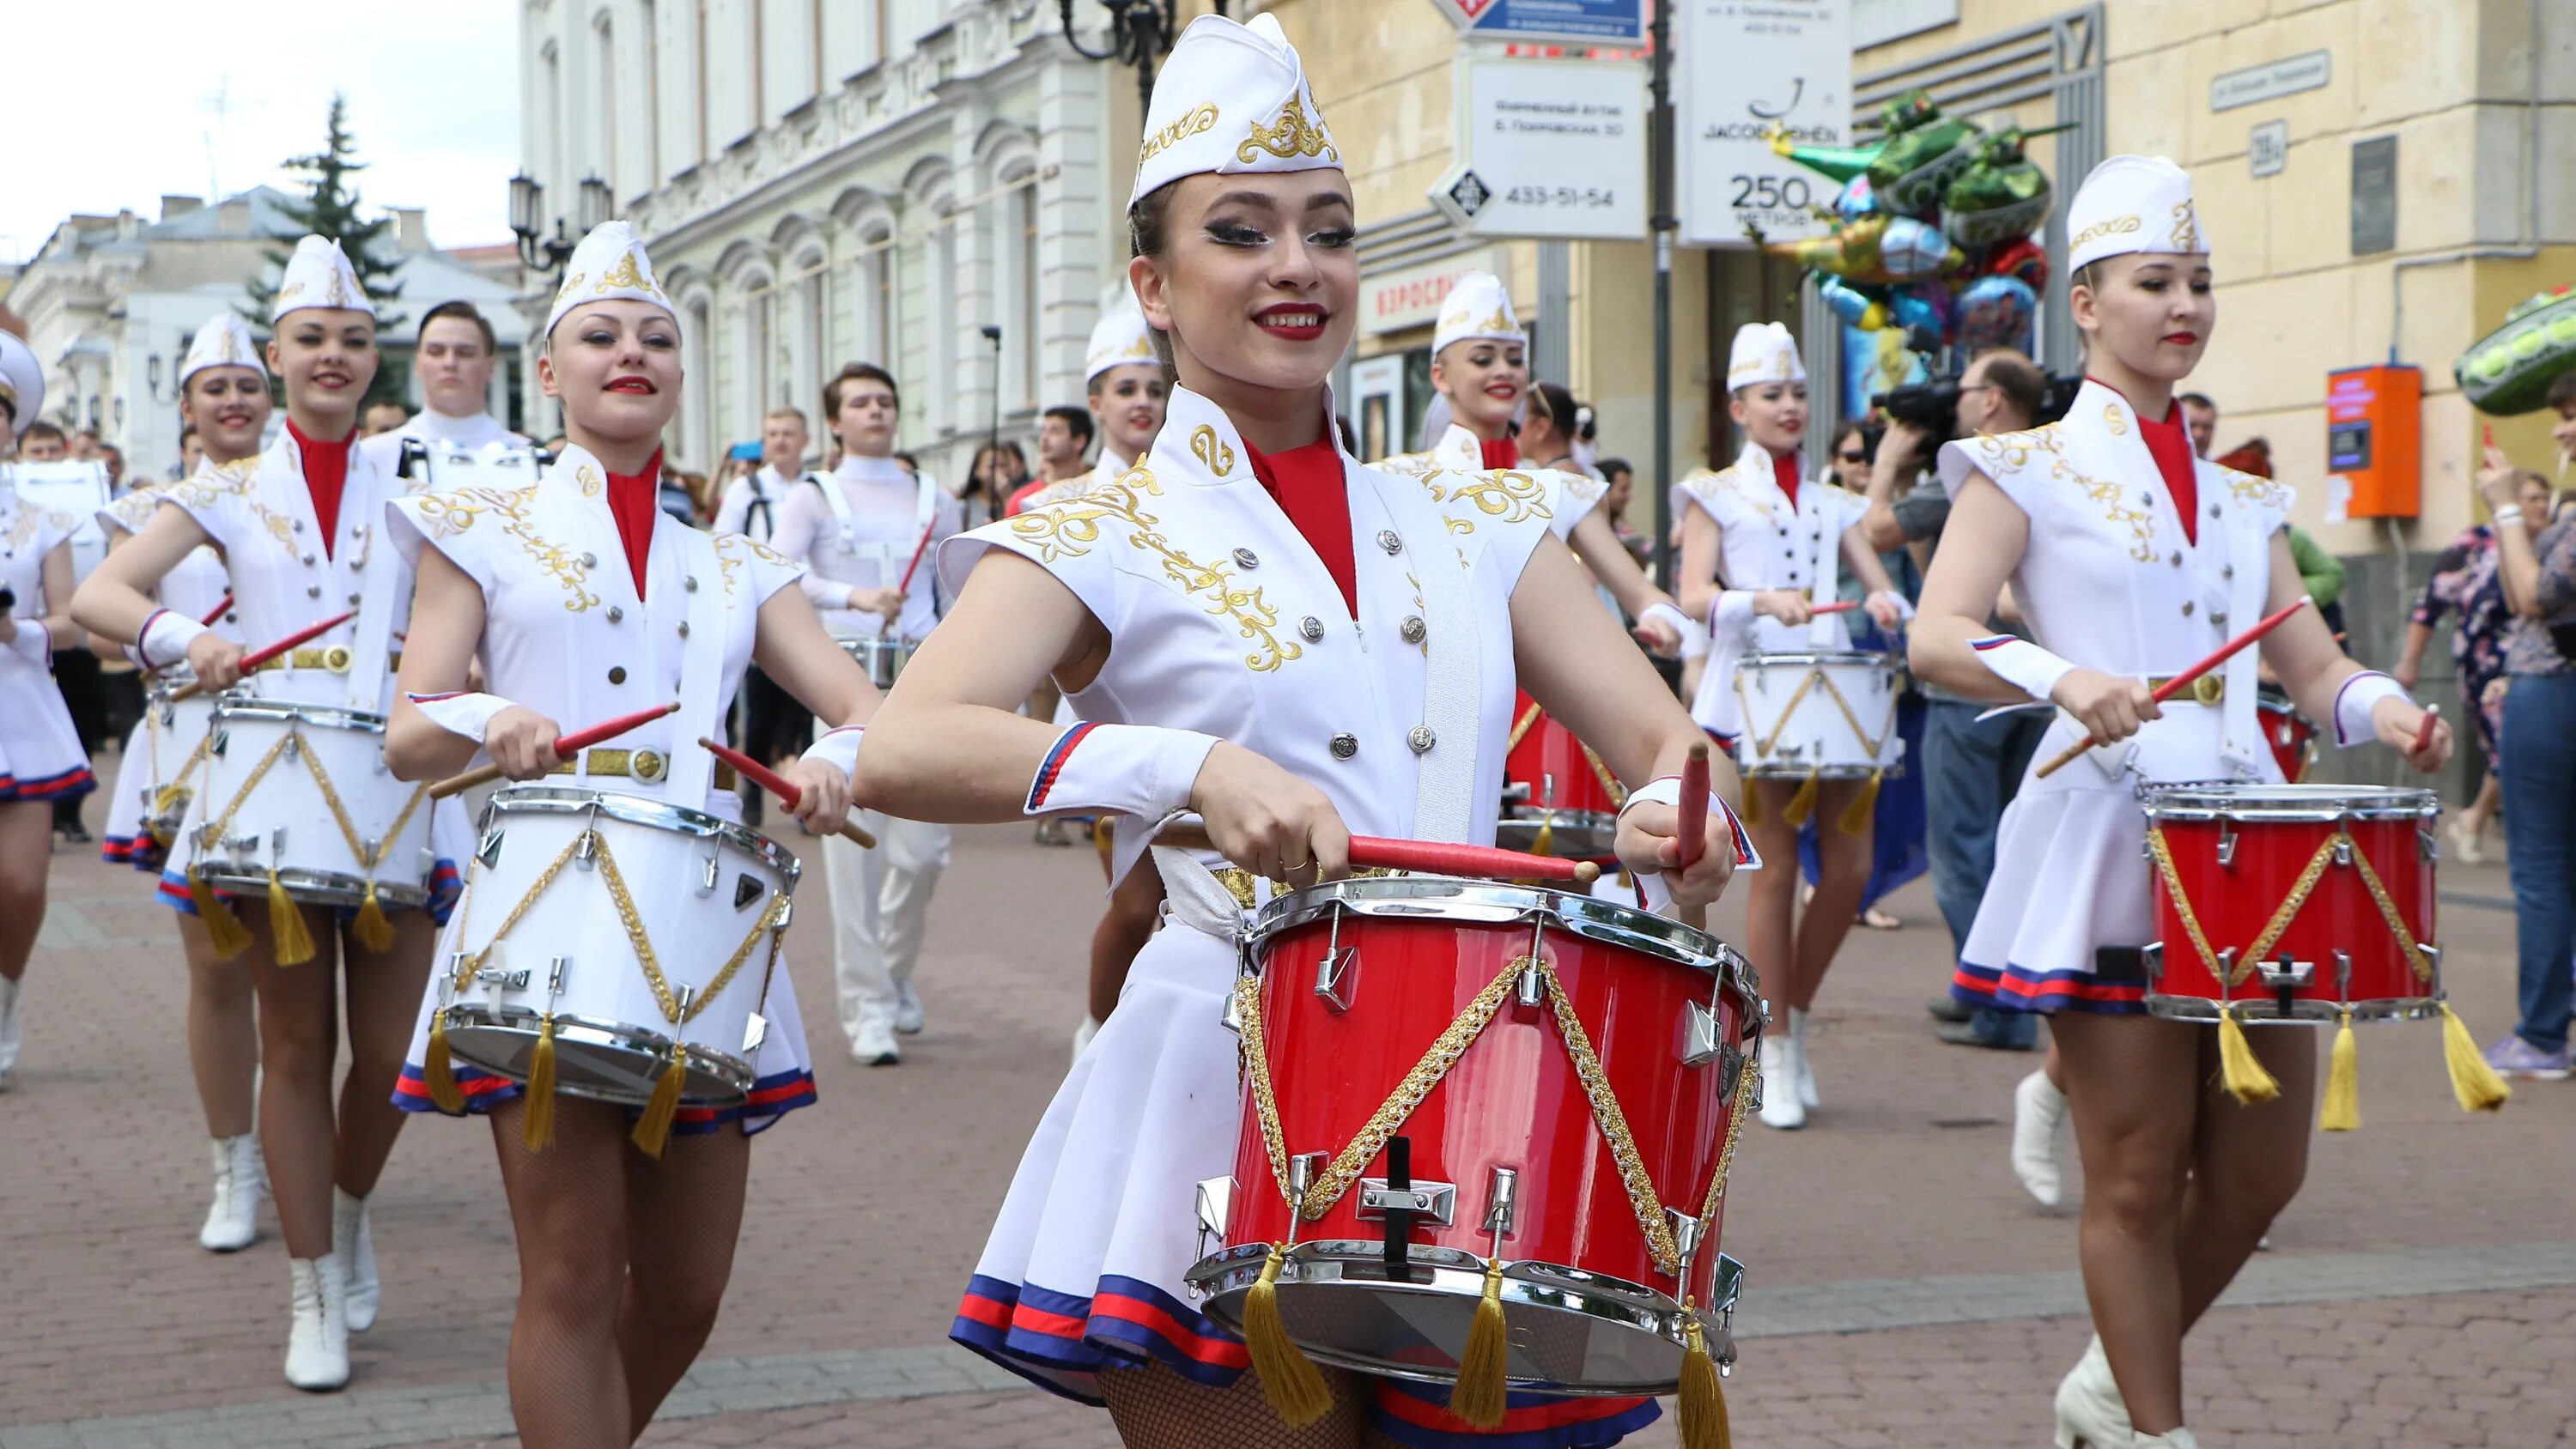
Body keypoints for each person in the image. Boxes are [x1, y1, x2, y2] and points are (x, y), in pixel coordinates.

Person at [865, 16, 1748, 1443]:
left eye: (1327, 231)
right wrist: (1185, 770)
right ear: (1153, 284)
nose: (1295, 264)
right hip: (1222, 1062)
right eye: (1242, 230)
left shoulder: (1475, 517)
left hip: (1475, 1084)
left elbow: (1680, 754)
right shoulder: (1107, 529)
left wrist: (1671, 828)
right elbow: (906, 742)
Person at [1910, 156, 2453, 1448]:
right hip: (2109, 838)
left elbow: (2312, 666)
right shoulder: (2021, 466)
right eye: (2155, 281)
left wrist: (2389, 712)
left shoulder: (2246, 495)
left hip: (2253, 850)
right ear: (2086, 304)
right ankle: (2153, 1430)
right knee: (2141, 1172)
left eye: (2199, 281)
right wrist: (2063, 675)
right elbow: (1939, 635)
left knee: (2266, 1172)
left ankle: (2106, 1383)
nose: (2185, 303)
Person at [380, 219, 872, 1446]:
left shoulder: (737, 563)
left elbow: (871, 714)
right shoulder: (477, 522)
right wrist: (494, 718)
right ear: (547, 374)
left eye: (657, 337)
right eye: (599, 336)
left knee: (690, 1291)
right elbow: (409, 732)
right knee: (572, 1275)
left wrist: (832, 766)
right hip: (544, 915)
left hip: (705, 937)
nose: (632, 353)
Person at [71, 237, 471, 1391]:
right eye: (310, 340)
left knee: (393, 1055)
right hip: (272, 801)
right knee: (297, 1045)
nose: (333, 357)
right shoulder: (228, 486)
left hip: (399, 787)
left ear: (369, 355)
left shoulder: (429, 479)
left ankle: (346, 1214)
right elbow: (107, 592)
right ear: (277, 357)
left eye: (353, 340)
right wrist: (183, 638)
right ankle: (308, 1286)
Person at [1679, 320, 1909, 1131]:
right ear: (1739, 406)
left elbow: (1881, 583)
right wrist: (1757, 601)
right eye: (1772, 394)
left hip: (1834, 694)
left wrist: (1885, 600)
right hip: (1758, 696)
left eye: (1799, 393)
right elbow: (1692, 596)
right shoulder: (1714, 492)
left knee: (1850, 869)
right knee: (1774, 869)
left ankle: (1796, 1019)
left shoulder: (1832, 501)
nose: (1789, 406)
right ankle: (1771, 1042)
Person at [93, 314, 264, 1250]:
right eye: (215, 386)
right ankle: (232, 1162)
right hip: (195, 758)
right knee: (216, 969)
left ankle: (288, 1137)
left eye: (247, 383)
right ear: (188, 407)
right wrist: (173, 642)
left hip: (301, 755)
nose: (234, 399)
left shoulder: (304, 502)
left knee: (301, 971)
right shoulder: (148, 514)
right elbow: (113, 630)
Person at [770, 361, 962, 1067]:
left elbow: (954, 595)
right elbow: (776, 574)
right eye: (860, 402)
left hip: (919, 689)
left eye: (885, 400)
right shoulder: (812, 496)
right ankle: (867, 1009)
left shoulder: (935, 498)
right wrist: (853, 599)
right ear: (836, 420)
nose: (875, 411)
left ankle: (892, 966)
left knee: (923, 855)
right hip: (846, 688)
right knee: (852, 860)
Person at [1862, 349, 2050, 1058]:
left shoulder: (1980, 470)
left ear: (1995, 400)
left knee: (1965, 852)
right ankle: (1986, 987)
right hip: (2042, 686)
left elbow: (1878, 532)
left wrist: (1889, 462)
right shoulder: (2054, 463)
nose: (1958, 403)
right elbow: (1929, 563)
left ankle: (1998, 1006)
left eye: (1968, 390)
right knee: (2017, 848)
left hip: (1967, 685)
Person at [1376, 272, 1691, 657]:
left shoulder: (1562, 491)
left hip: (1545, 710)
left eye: (1514, 359)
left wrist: (1661, 620)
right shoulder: (1395, 483)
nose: (1504, 370)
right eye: (1483, 358)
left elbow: (1643, 594)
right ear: (1440, 377)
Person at [0, 330, 96, 1092]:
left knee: (24, 886)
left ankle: (5, 997)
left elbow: (74, 620)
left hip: (20, 712)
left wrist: (18, 629)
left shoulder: (42, 520)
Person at [2481, 374, 2576, 1079]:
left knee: (2542, 869)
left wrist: (2508, 511)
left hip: (2553, 690)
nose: (2561, 432)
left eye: (2573, 417)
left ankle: (2543, 1037)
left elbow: (2532, 598)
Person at [2396, 469, 2550, 864]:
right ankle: (2505, 829)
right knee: (2509, 746)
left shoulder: (2553, 545)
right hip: (2484, 667)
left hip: (2537, 664)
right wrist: (2410, 662)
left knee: (2519, 748)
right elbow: (2429, 606)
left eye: (2543, 498)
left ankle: (2476, 817)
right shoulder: (2475, 544)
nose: (2540, 505)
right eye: (2530, 497)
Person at [714, 407, 823, 799]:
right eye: (772, 434)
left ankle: (807, 784)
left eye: (788, 434)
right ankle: (755, 790)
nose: (780, 441)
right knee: (759, 710)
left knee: (805, 705)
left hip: (812, 603)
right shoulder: (747, 489)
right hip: (760, 605)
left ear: (805, 440)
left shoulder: (819, 488)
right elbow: (722, 542)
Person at [357, 301, 528, 472]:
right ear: (418, 363)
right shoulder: (372, 457)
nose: (450, 363)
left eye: (465, 353)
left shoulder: (529, 458)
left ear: (490, 366)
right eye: (436, 352)